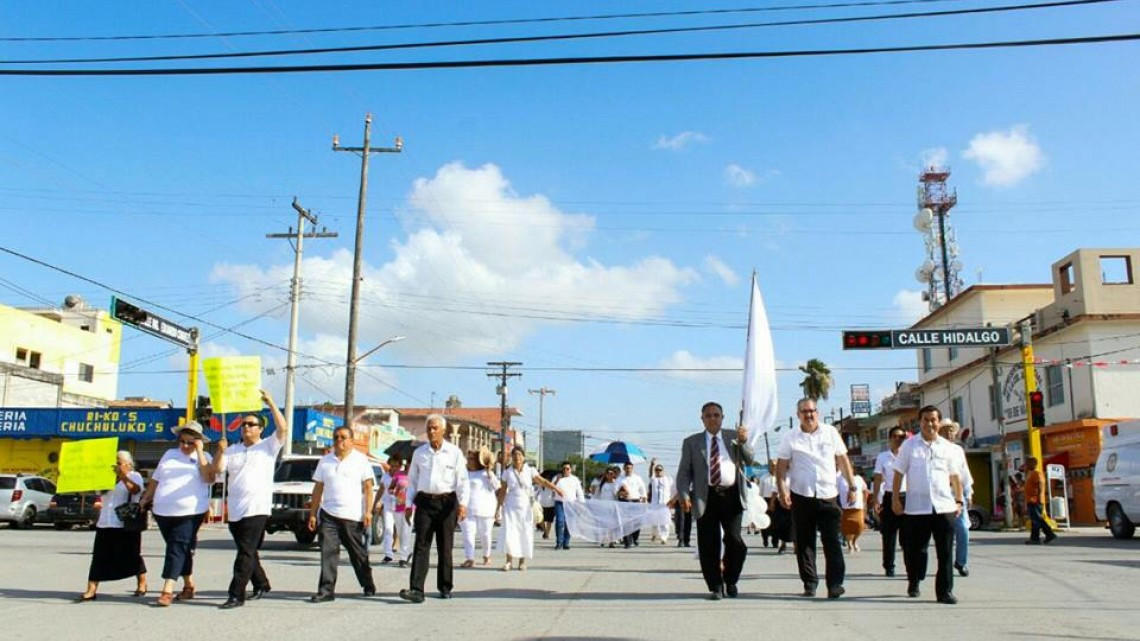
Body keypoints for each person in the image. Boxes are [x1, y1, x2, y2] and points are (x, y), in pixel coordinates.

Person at [776, 398, 857, 600]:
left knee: (832, 542)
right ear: (798, 415)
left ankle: (835, 584)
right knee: (804, 542)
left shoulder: (830, 432)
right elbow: (781, 466)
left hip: (828, 495)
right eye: (804, 412)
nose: (809, 415)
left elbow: (842, 459)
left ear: (817, 413)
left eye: (812, 411)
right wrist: (782, 490)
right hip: (801, 495)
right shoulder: (790, 437)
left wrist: (852, 485)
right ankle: (810, 582)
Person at [213, 390, 287, 609]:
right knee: (249, 550)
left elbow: (282, 428)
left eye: (251, 424)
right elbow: (217, 471)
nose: (246, 427)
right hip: (235, 509)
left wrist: (270, 401)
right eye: (244, 424)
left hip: (257, 508)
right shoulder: (232, 450)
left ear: (260, 429)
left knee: (245, 552)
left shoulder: (268, 446)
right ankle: (262, 583)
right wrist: (219, 451)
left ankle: (236, 594)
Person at [676, 401, 755, 600]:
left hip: (731, 496)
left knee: (735, 542)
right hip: (705, 497)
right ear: (702, 419)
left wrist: (744, 442)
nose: (713, 418)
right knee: (708, 544)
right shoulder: (691, 442)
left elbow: (749, 460)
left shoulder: (734, 437)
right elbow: (684, 473)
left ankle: (731, 580)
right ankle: (715, 586)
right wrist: (684, 495)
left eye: (716, 415)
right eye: (708, 415)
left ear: (722, 417)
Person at [892, 406, 964, 605]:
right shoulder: (909, 446)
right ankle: (914, 580)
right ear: (920, 422)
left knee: (945, 552)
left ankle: (945, 591)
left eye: (933, 420)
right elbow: (898, 473)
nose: (930, 424)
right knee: (916, 550)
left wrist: (959, 500)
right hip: (917, 508)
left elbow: (955, 476)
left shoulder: (947, 448)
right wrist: (895, 499)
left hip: (944, 506)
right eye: (925, 420)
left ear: (938, 422)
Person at [139, 421, 215, 607]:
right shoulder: (169, 455)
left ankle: (167, 589)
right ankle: (188, 584)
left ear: (198, 442)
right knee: (181, 548)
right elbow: (156, 479)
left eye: (190, 442)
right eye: (182, 441)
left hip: (190, 511)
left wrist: (199, 452)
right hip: (163, 510)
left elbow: (209, 478)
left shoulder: (204, 457)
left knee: (176, 546)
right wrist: (145, 499)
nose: (185, 446)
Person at [400, 414, 470, 603]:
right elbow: (412, 481)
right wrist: (408, 505)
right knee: (421, 545)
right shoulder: (419, 453)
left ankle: (445, 586)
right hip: (424, 502)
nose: (431, 431)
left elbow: (462, 481)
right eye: (429, 428)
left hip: (447, 503)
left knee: (445, 546)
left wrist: (463, 504)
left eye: (435, 428)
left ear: (443, 431)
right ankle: (416, 589)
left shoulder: (454, 453)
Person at [307, 425, 377, 603]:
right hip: (329, 515)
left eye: (343, 437)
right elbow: (318, 488)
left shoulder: (360, 460)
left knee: (358, 554)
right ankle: (326, 590)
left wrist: (368, 512)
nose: (339, 441)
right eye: (336, 437)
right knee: (328, 552)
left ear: (351, 441)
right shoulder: (325, 461)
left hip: (352, 517)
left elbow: (368, 488)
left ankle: (367, 583)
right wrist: (313, 514)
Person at [76, 451, 147, 602]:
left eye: (119, 462)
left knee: (132, 554)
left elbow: (135, 490)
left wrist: (122, 475)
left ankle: (141, 582)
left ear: (128, 464)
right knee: (99, 557)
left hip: (125, 522)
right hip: (105, 521)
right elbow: (98, 493)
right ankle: (91, 589)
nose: (116, 465)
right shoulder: (106, 477)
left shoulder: (135, 476)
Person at [499, 446, 562, 570]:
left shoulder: (530, 470)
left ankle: (522, 561)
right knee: (510, 533)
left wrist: (556, 489)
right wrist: (498, 507)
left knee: (524, 532)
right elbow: (502, 491)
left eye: (519, 455)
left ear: (523, 457)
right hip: (511, 505)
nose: (517, 457)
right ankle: (509, 561)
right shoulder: (507, 472)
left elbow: (542, 481)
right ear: (511, 457)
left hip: (525, 506)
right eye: (514, 455)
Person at [870, 426, 909, 577]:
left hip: (907, 497)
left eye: (901, 437)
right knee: (889, 534)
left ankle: (909, 566)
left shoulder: (909, 455)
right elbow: (878, 478)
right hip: (889, 496)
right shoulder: (883, 457)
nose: (898, 439)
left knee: (908, 535)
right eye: (895, 436)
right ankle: (889, 565)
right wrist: (875, 500)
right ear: (889, 439)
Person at [939, 419, 974, 576]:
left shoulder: (958, 450)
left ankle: (961, 562)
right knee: (942, 533)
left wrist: (969, 492)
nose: (949, 433)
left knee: (963, 529)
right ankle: (943, 564)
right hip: (939, 495)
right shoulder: (934, 449)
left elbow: (964, 473)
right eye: (945, 430)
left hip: (957, 495)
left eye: (951, 430)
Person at [460, 449, 500, 568]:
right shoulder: (463, 473)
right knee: (468, 534)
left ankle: (487, 556)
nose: (468, 461)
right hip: (468, 508)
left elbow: (497, 486)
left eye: (471, 459)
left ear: (477, 461)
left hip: (485, 509)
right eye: (468, 458)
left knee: (485, 534)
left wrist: (489, 472)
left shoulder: (485, 473)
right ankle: (470, 558)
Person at [1023, 456, 1057, 545]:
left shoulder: (1037, 473)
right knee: (1037, 519)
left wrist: (1038, 498)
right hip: (1030, 500)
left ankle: (1036, 538)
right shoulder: (1030, 473)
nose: (1026, 464)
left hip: (1036, 500)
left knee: (1036, 520)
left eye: (1027, 462)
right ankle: (1049, 534)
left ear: (1033, 463)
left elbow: (1040, 486)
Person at [552, 461, 585, 550]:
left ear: (570, 469)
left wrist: (581, 504)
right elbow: (552, 489)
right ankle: (559, 542)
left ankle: (566, 543)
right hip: (560, 503)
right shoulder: (557, 478)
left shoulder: (575, 479)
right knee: (560, 521)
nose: (566, 470)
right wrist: (557, 480)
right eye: (564, 469)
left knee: (568, 523)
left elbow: (580, 492)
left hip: (571, 504)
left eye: (567, 468)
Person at [837, 470, 869, 553]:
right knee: (847, 528)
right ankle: (849, 544)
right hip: (846, 507)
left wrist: (864, 502)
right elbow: (836, 491)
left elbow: (865, 490)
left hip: (858, 506)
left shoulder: (858, 478)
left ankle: (854, 541)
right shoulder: (840, 479)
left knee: (859, 526)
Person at [617, 461, 648, 548]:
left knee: (637, 522)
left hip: (636, 501)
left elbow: (642, 489)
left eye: (630, 468)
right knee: (626, 522)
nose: (628, 470)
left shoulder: (638, 478)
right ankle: (627, 541)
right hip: (624, 502)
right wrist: (621, 492)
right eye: (626, 468)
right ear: (624, 468)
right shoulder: (620, 479)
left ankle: (635, 538)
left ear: (632, 468)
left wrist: (644, 499)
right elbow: (616, 490)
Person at [648, 461, 674, 545]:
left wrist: (672, 501)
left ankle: (664, 537)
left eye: (660, 470)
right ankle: (654, 534)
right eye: (657, 470)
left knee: (665, 522)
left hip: (665, 504)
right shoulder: (653, 479)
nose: (658, 471)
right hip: (655, 504)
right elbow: (650, 474)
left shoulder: (668, 479)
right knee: (654, 521)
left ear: (663, 471)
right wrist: (652, 465)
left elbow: (673, 490)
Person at [537, 472, 557, 540]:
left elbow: (555, 491)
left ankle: (547, 534)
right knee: (540, 519)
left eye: (548, 479)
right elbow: (537, 493)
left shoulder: (551, 486)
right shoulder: (540, 486)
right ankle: (545, 531)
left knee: (549, 521)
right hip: (541, 504)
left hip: (551, 504)